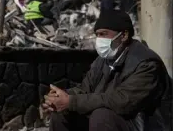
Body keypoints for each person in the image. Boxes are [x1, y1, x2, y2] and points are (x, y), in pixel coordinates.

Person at [43, 9, 172, 131]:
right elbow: (85, 89)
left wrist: (71, 102)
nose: (99, 40)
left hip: (146, 125)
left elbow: (122, 101)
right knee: (61, 113)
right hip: (120, 121)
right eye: (97, 35)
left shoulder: (146, 64)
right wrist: (59, 98)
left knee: (102, 116)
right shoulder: (102, 61)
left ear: (124, 35)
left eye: (104, 34)